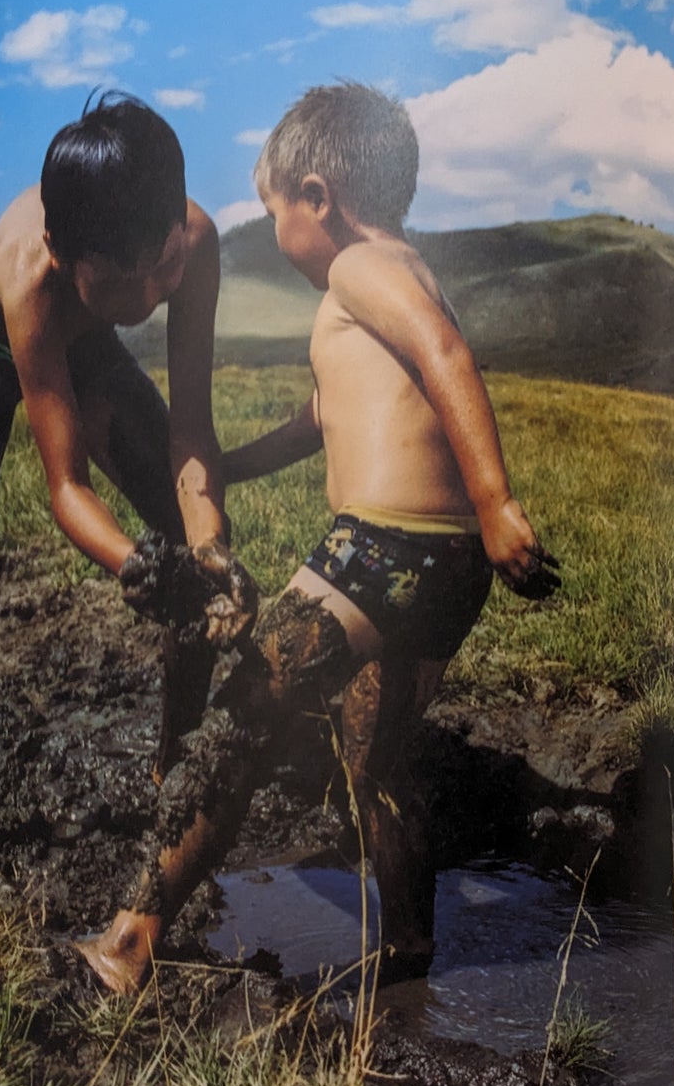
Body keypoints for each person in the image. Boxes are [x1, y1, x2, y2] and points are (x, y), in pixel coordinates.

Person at [75, 82, 559, 992]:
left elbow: (447, 353)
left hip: (382, 550)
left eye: (272, 210)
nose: (273, 232)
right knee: (375, 762)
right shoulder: (401, 271)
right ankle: (410, 948)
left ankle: (130, 942)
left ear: (315, 198)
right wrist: (229, 464)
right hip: (444, 573)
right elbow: (321, 417)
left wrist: (498, 500)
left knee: (240, 722)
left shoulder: (358, 270)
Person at [0, 91, 243, 850]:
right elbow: (67, 486)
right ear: (67, 259)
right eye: (121, 284)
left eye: (160, 269)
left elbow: (191, 429)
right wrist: (141, 568)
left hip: (83, 339)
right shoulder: (34, 277)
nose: (148, 298)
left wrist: (203, 549)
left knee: (181, 529)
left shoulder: (191, 241)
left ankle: (175, 771)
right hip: (2, 339)